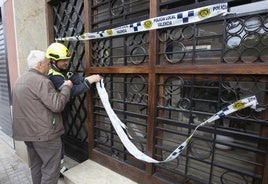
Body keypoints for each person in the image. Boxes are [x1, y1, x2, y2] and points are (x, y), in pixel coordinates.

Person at [12, 50, 73, 184]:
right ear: (40, 64)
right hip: (45, 135)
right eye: (47, 63)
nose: (49, 67)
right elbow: (57, 105)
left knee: (36, 166)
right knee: (51, 169)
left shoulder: (20, 80)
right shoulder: (42, 81)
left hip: (27, 134)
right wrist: (67, 87)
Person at [46, 42, 102, 175]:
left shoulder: (65, 70)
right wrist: (90, 81)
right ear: (53, 61)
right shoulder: (53, 77)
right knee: (57, 140)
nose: (66, 62)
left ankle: (58, 166)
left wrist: (88, 79)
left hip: (63, 111)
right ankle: (58, 169)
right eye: (63, 60)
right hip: (55, 114)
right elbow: (73, 91)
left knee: (61, 137)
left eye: (67, 60)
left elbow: (77, 79)